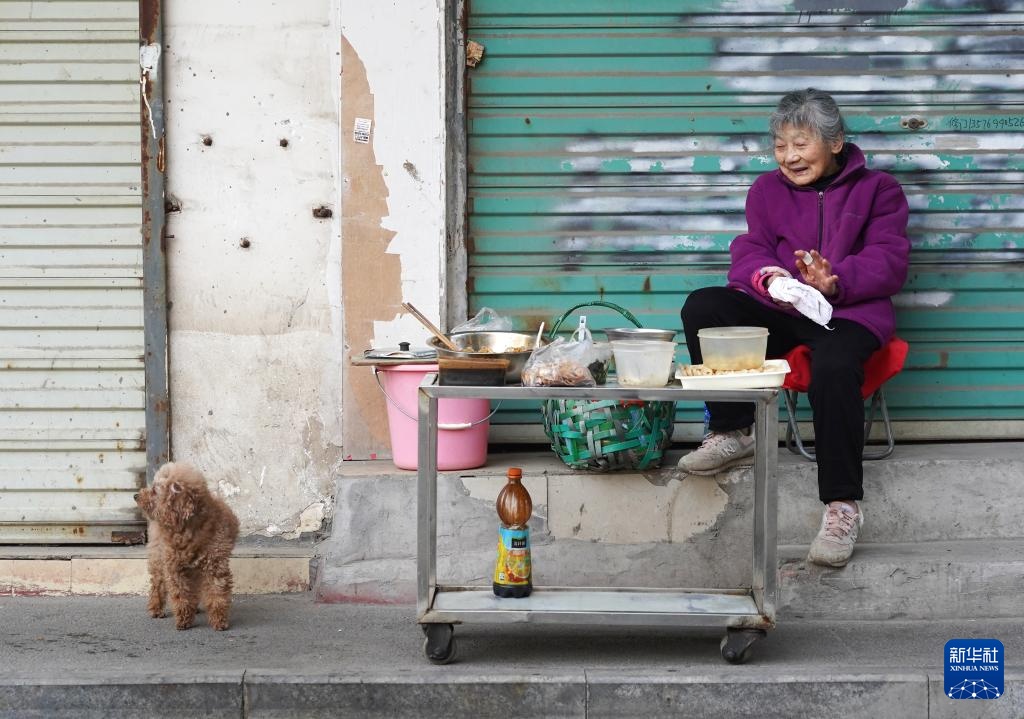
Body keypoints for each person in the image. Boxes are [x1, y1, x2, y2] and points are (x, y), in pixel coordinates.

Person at [677, 88, 910, 568]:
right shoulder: (765, 191)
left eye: (801, 144)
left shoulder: (879, 190)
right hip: (786, 312)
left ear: (836, 143)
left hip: (850, 314)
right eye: (781, 145)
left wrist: (836, 280)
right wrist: (771, 279)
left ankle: (842, 505)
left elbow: (889, 260)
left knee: (835, 362)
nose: (789, 156)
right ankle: (732, 430)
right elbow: (750, 249)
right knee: (704, 307)